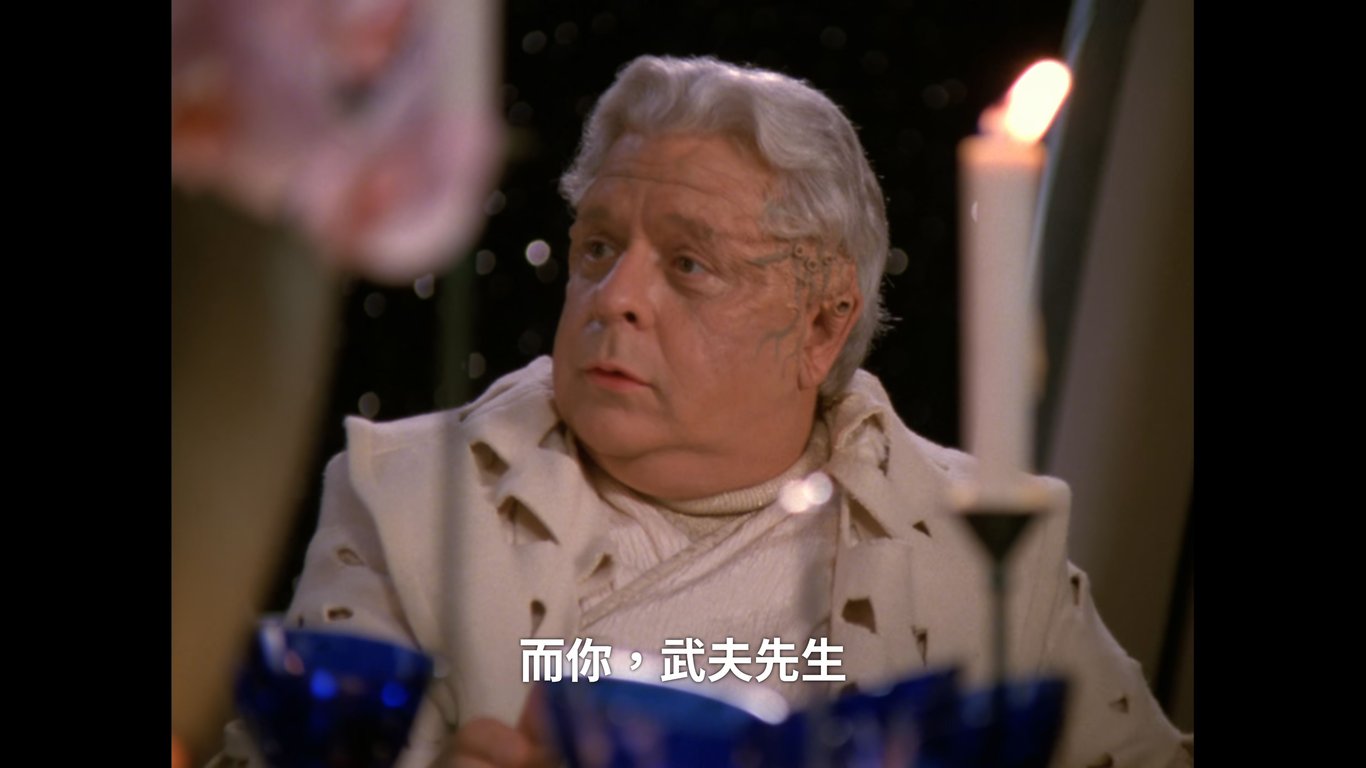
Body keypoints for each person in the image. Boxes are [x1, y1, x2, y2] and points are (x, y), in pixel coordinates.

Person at [214, 55, 1192, 767]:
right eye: (599, 248)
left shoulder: (985, 551)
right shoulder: (403, 497)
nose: (615, 298)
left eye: (687, 263)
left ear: (823, 324)